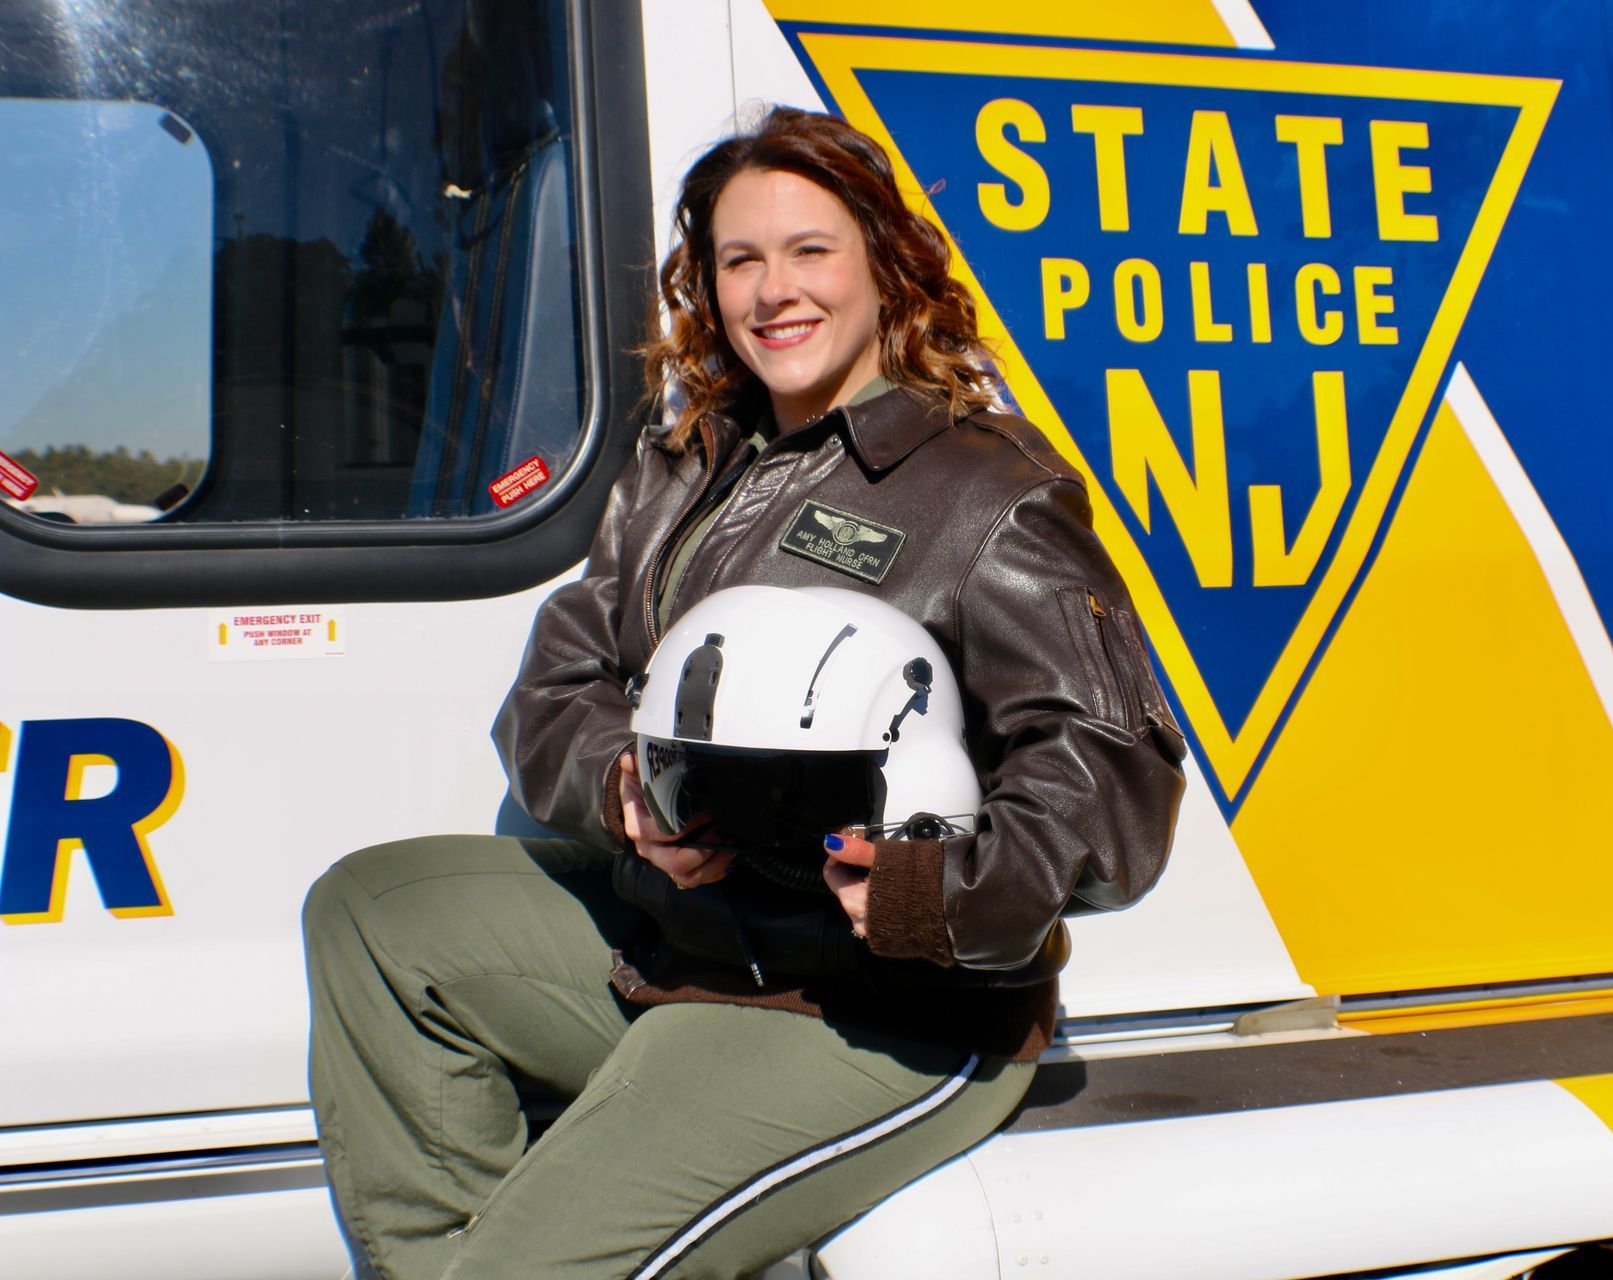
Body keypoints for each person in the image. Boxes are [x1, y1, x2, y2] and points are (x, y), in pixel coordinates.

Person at [302, 105, 1187, 1280]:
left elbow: (1112, 787)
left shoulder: (989, 492)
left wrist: (930, 894)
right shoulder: (685, 466)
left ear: (886, 264)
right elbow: (556, 686)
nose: (776, 289)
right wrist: (628, 796)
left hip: (882, 1005)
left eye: (811, 250)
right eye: (740, 260)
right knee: (375, 911)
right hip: (690, 939)